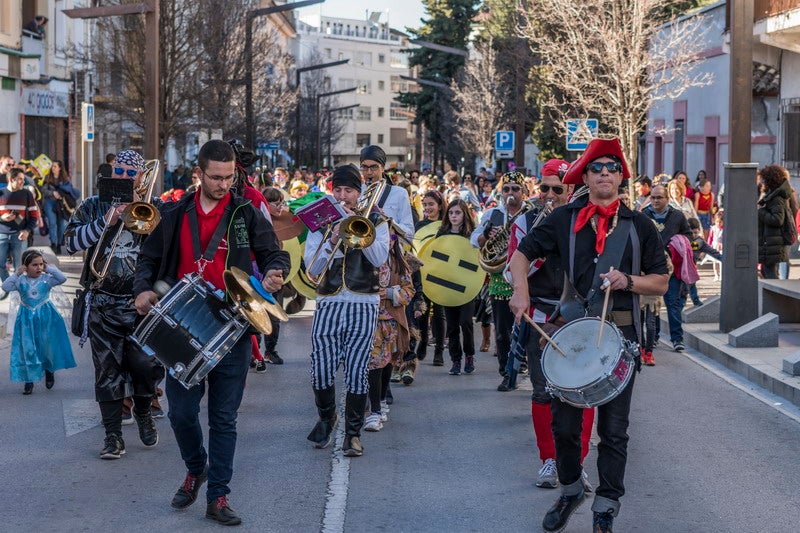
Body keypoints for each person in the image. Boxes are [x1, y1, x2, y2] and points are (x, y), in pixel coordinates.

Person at [508, 138, 668, 533]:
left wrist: (628, 280)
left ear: (621, 177)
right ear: (585, 176)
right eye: (597, 168)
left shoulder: (640, 225)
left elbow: (661, 281)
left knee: (613, 431)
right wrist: (520, 292)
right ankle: (571, 490)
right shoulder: (564, 218)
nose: (605, 174)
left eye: (612, 168)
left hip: (621, 336)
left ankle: (606, 509)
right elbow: (521, 254)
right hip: (572, 333)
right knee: (565, 427)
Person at [133, 140, 288, 525]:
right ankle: (195, 467)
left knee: (223, 419)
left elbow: (274, 252)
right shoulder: (173, 213)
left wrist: (275, 271)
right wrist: (143, 289)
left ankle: (218, 495)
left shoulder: (245, 212)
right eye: (216, 177)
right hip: (182, 327)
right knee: (182, 414)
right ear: (199, 174)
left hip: (233, 325)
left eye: (229, 177)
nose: (223, 184)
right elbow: (147, 260)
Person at [65, 149, 165, 459]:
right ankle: (113, 436)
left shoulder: (154, 207)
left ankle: (144, 411)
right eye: (118, 171)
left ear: (141, 177)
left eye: (129, 173)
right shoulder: (92, 205)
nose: (122, 177)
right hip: (103, 302)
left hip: (142, 304)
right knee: (106, 371)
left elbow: (168, 250)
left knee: (147, 365)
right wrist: (104, 222)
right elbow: (69, 244)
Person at [304, 164, 390, 457]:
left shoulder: (376, 218)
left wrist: (355, 226)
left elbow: (378, 259)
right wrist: (331, 239)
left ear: (359, 192)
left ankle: (352, 434)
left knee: (356, 369)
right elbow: (313, 267)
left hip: (363, 301)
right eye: (338, 190)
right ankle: (326, 417)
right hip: (328, 300)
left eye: (349, 190)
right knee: (321, 367)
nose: (343, 196)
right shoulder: (320, 219)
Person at [472, 171, 529, 391]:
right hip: (500, 280)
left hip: (526, 278)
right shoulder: (492, 213)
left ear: (523, 192)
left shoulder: (530, 213)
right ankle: (506, 372)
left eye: (515, 189)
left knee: (527, 328)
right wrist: (487, 235)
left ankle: (525, 365)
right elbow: (474, 240)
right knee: (503, 331)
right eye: (506, 189)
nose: (510, 193)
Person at [2, 249, 75, 394]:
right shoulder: (20, 281)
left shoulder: (47, 279)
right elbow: (5, 286)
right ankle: (29, 380)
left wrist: (49, 268)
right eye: (34, 265)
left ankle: (49, 370)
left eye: (41, 264)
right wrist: (17, 273)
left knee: (46, 346)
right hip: (26, 320)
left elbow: (62, 278)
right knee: (28, 348)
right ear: (25, 266)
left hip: (46, 318)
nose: (39, 267)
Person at [364, 227, 414, 432]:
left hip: (392, 321)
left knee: (388, 363)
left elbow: (409, 291)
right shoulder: (366, 259)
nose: (390, 240)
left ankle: (382, 400)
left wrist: (391, 293)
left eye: (393, 236)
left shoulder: (399, 263)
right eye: (385, 236)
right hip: (370, 321)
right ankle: (375, 410)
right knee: (374, 363)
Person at [642, 184, 692, 352]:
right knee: (653, 306)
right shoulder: (643, 216)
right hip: (651, 269)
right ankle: (654, 337)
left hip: (672, 268)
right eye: (653, 197)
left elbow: (688, 235)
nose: (655, 201)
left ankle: (677, 339)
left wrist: (677, 245)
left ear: (667, 199)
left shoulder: (677, 216)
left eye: (659, 197)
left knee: (673, 303)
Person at [437, 199, 477, 376]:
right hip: (447, 284)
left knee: (466, 322)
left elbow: (476, 258)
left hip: (467, 285)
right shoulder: (442, 233)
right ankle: (455, 360)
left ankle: (469, 355)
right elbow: (436, 257)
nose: (454, 216)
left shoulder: (471, 234)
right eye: (451, 213)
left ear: (464, 214)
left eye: (458, 213)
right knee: (452, 326)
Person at [414, 190, 446, 364]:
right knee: (423, 311)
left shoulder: (446, 225)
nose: (427, 208)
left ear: (439, 206)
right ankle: (424, 342)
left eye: (431, 204)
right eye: (425, 204)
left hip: (440, 273)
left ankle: (439, 351)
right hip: (423, 272)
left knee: (439, 313)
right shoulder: (420, 225)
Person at [359, 145, 414, 240]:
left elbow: (409, 235)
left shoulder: (400, 193)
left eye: (374, 167)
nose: (369, 172)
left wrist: (388, 221)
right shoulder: (357, 192)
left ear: (383, 168)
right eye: (364, 167)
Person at [0, 168, 38, 297]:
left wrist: (27, 231)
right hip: (1, 234)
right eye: (20, 179)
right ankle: (9, 287)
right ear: (12, 179)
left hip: (20, 235)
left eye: (23, 179)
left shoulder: (27, 194)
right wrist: (2, 217)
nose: (23, 181)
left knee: (19, 267)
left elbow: (34, 216)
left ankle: (18, 295)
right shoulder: (1, 193)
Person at [757, 164, 794, 279]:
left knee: (770, 274)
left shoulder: (777, 198)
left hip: (774, 242)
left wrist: (761, 212)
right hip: (772, 241)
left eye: (764, 180)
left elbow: (777, 220)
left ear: (770, 180)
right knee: (766, 272)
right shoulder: (775, 195)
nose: (762, 182)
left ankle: (776, 292)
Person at [41, 160, 80, 254]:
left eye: (55, 166)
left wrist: (62, 193)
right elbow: (43, 190)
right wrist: (52, 193)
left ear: (60, 168)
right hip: (50, 202)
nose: (53, 168)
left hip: (61, 204)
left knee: (61, 224)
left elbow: (70, 191)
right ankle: (53, 244)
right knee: (52, 223)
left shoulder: (65, 179)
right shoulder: (47, 178)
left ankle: (59, 244)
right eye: (52, 166)